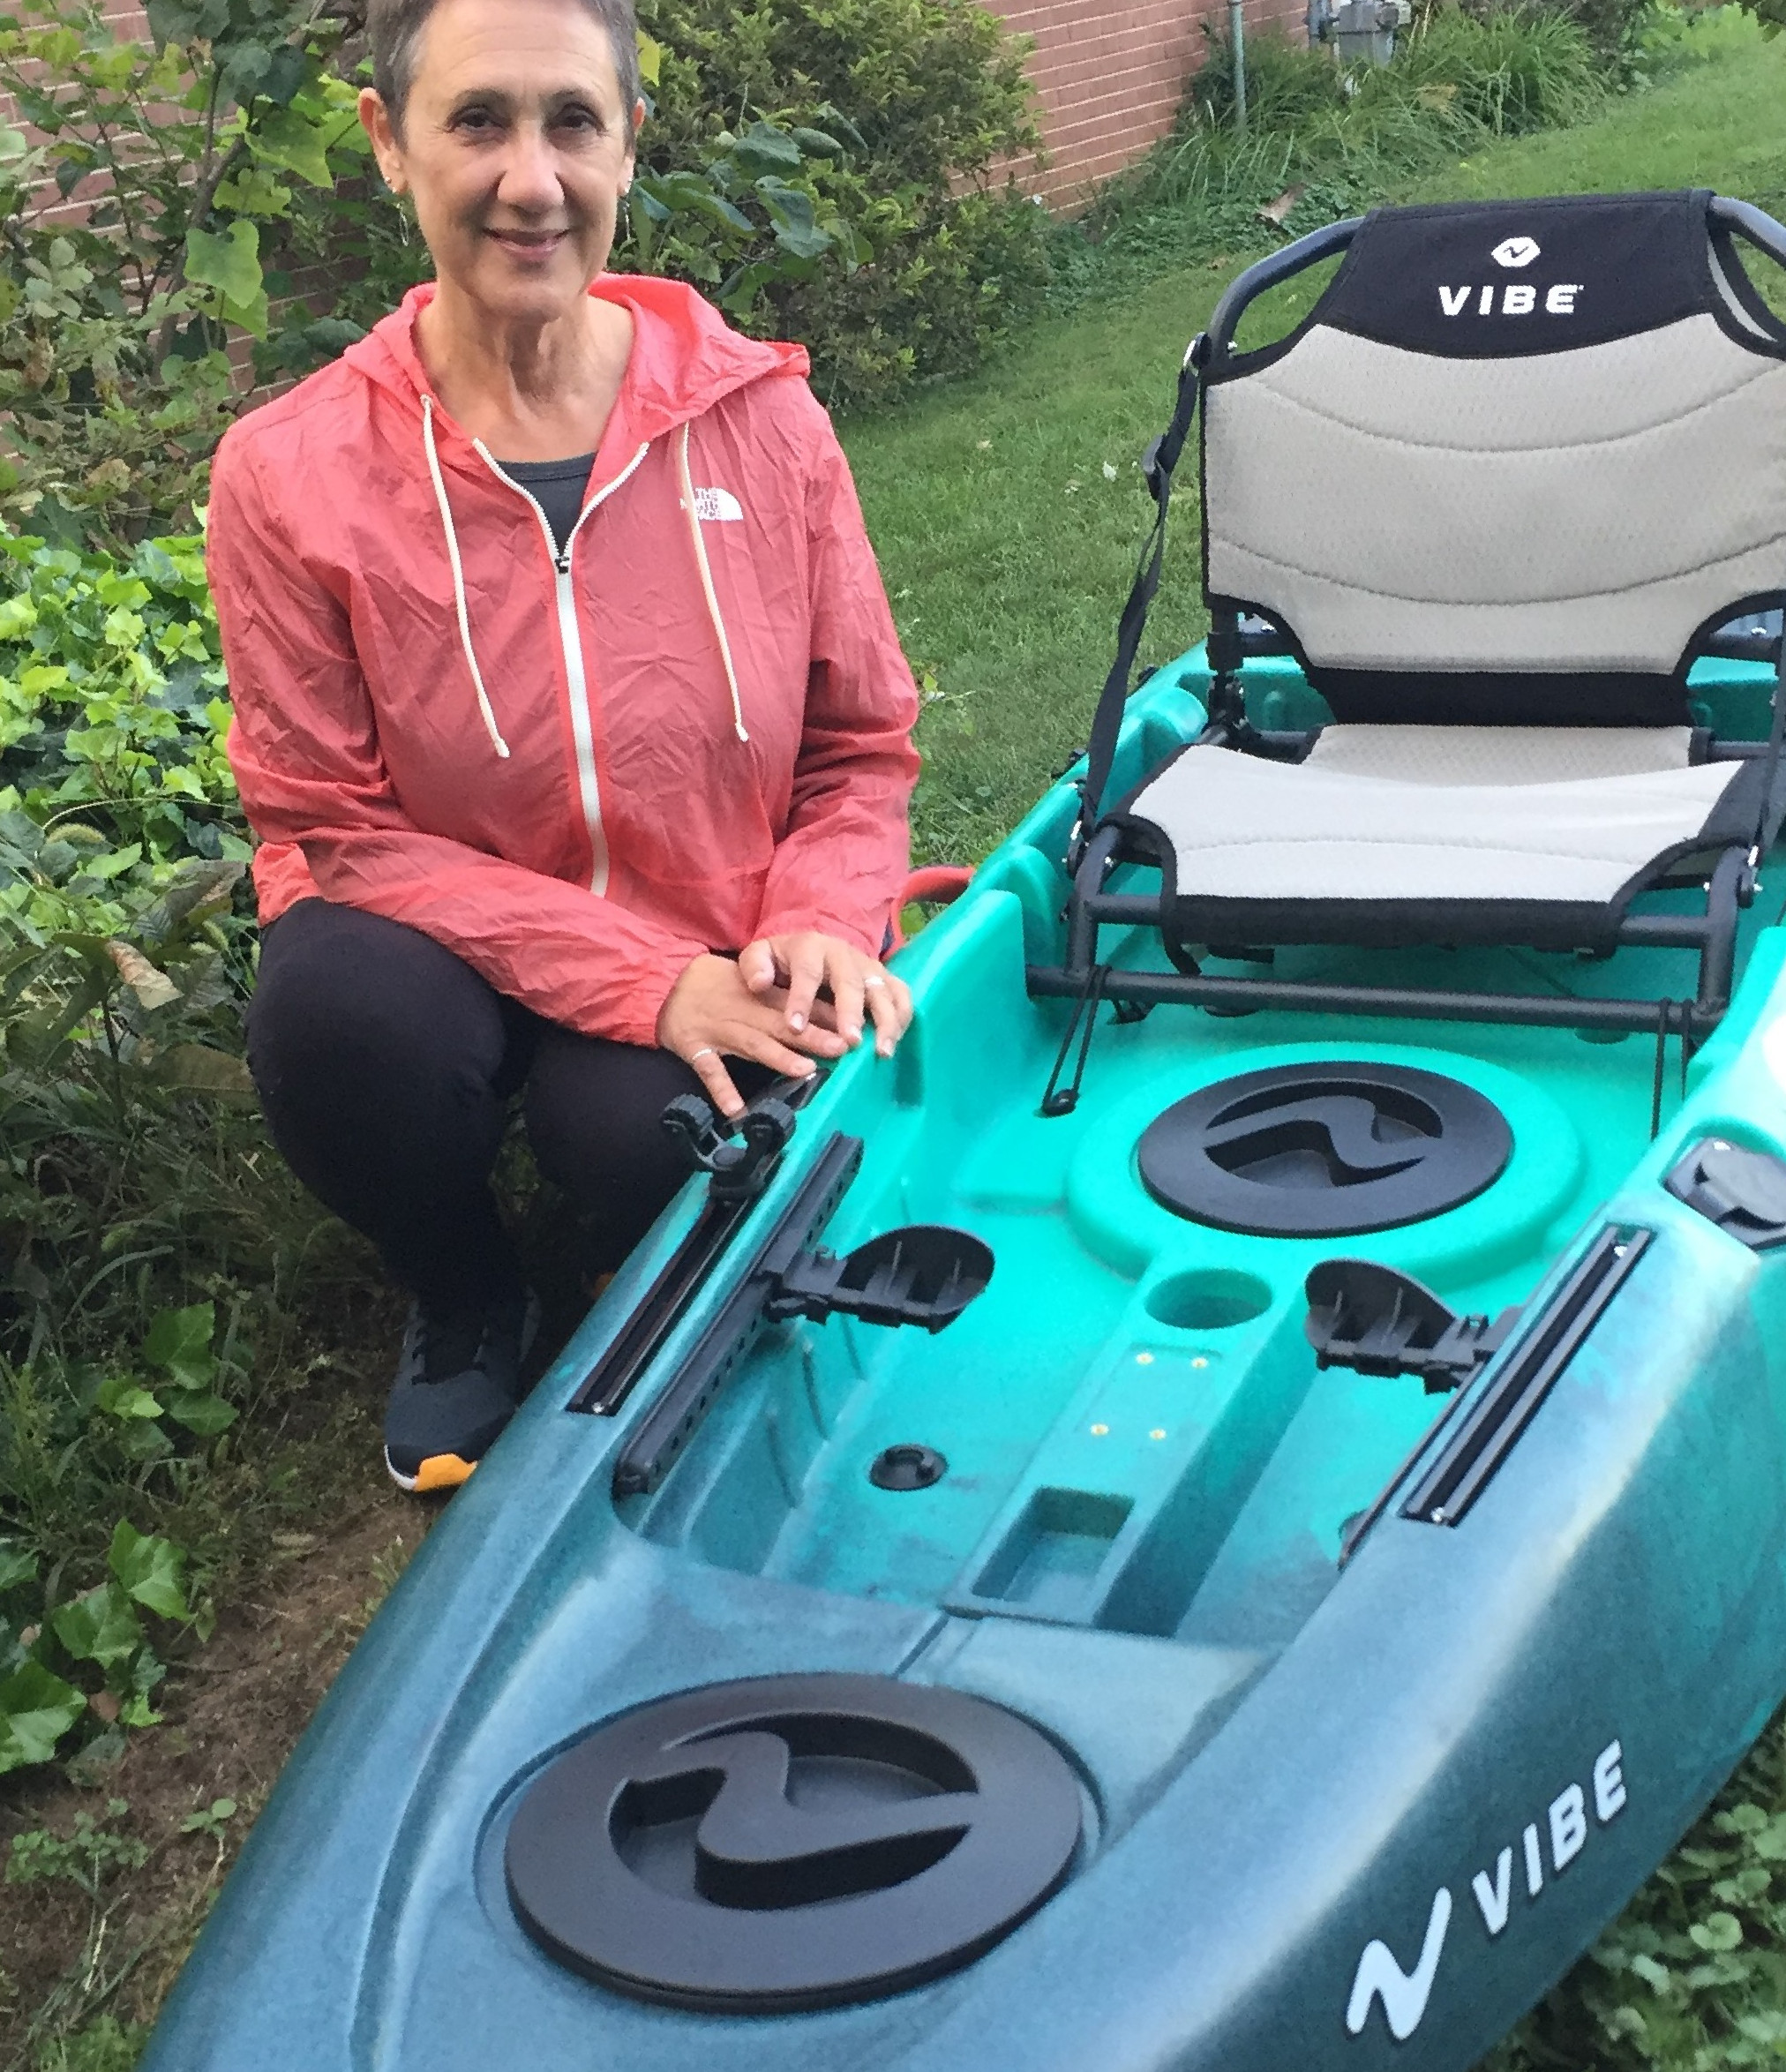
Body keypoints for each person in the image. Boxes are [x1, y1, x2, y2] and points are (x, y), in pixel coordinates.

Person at [206, 0, 919, 1494]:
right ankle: (468, 1294)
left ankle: (614, 1241)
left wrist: (812, 917)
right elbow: (327, 817)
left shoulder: (765, 424)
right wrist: (636, 982)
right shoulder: (287, 473)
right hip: (433, 939)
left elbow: (860, 741)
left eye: (571, 123)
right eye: (477, 121)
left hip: (703, 925)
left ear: (627, 145)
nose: (530, 178)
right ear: (388, 141)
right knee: (336, 1022)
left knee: (666, 1153)